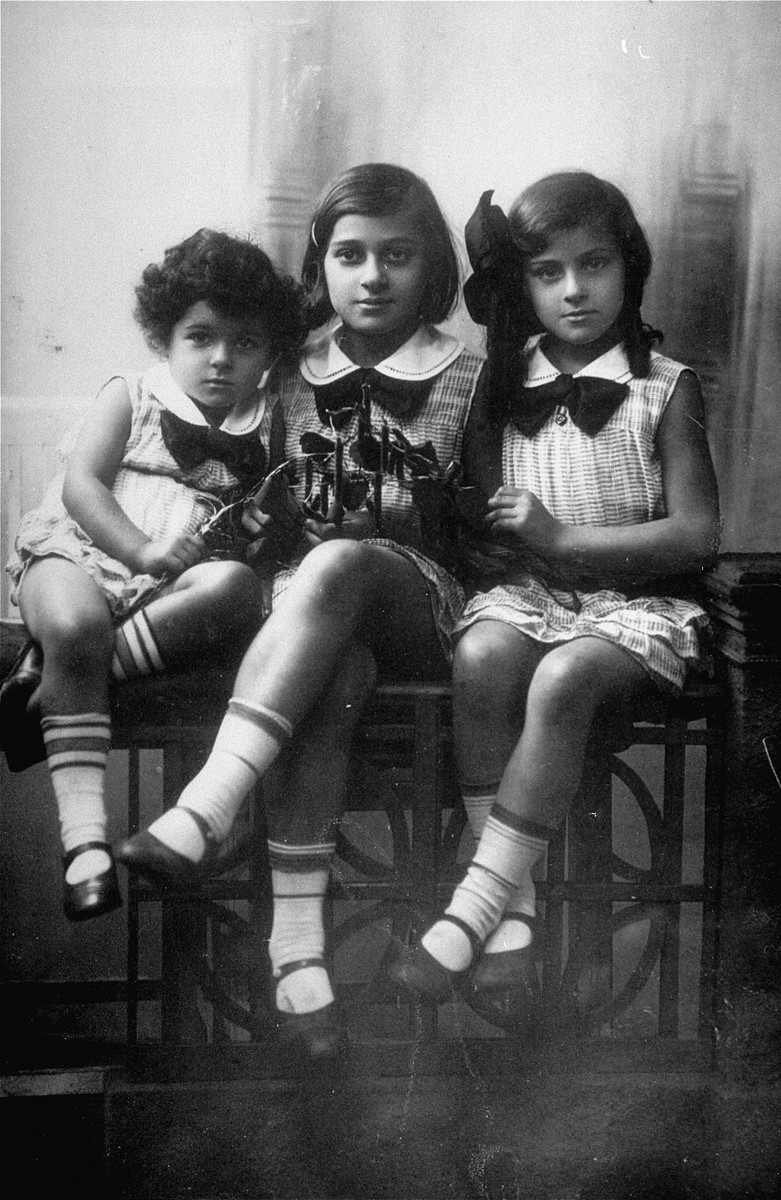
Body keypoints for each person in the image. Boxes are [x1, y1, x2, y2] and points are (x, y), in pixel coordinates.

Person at [116, 163, 485, 1058]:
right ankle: (297, 952)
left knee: (341, 562)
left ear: (430, 267)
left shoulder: (468, 376)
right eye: (350, 254)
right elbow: (225, 491)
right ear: (320, 264)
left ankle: (208, 806)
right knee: (333, 664)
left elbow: (482, 529)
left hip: (420, 604)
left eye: (397, 256)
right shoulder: (284, 371)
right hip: (311, 621)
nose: (372, 276)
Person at [389, 171, 721, 1028]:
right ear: (521, 285)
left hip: (637, 606)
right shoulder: (499, 384)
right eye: (546, 272)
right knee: (483, 653)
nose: (574, 290)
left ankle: (475, 898)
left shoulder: (664, 385)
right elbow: (485, 514)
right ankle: (516, 914)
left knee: (563, 680)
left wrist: (565, 539)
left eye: (594, 264)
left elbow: (694, 535)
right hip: (530, 595)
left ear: (628, 267)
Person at [1, 229, 305, 922]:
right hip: (80, 553)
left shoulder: (268, 426)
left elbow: (252, 530)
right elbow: (82, 488)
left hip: (167, 592)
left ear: (270, 355)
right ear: (165, 337)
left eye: (245, 343)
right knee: (76, 622)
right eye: (200, 337)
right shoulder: (132, 395)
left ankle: (54, 679)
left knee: (234, 590)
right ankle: (83, 845)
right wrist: (138, 551)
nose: (221, 358)